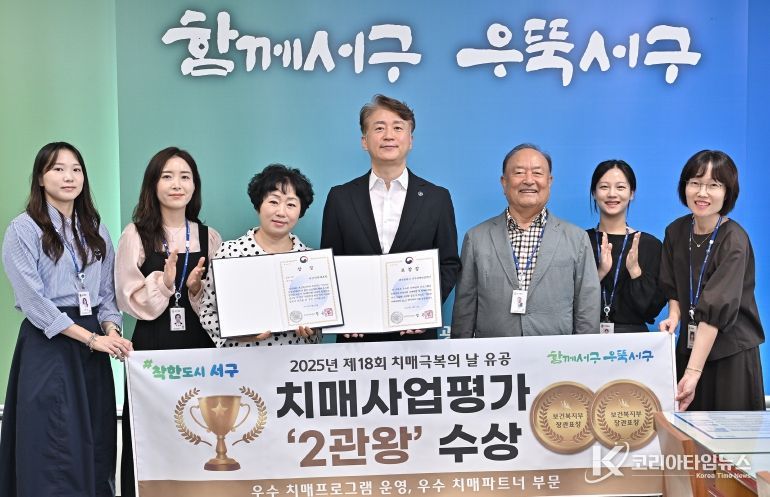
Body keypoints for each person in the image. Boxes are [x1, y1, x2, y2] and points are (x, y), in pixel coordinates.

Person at [0, 142, 133, 497]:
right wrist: (91, 339)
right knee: (54, 445)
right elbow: (33, 301)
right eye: (57, 169)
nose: (68, 176)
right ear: (40, 178)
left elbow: (107, 294)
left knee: (98, 439)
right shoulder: (22, 229)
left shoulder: (95, 227)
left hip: (93, 345)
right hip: (49, 346)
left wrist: (111, 330)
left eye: (76, 169)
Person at [114, 147, 222, 496]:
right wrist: (164, 283)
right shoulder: (135, 234)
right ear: (153, 184)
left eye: (185, 177)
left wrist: (195, 290)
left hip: (200, 349)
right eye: (167, 176)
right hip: (152, 348)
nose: (177, 184)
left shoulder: (209, 236)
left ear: (195, 186)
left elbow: (219, 303)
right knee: (151, 433)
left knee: (201, 431)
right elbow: (127, 298)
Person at [321, 94, 461, 341]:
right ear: (364, 141)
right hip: (357, 335)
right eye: (379, 128)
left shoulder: (437, 198)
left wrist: (424, 310)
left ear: (410, 140)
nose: (388, 135)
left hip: (415, 336)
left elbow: (448, 264)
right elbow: (329, 265)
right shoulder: (340, 197)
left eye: (398, 128)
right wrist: (343, 315)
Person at [452, 143, 600, 338]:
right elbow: (465, 309)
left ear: (549, 181)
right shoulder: (476, 238)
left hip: (555, 353)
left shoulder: (577, 238)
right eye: (519, 172)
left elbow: (587, 306)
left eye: (537, 173)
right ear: (504, 182)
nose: (529, 180)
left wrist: (584, 352)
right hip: (497, 353)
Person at [659, 150, 765, 411]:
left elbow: (715, 311)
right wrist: (674, 316)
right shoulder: (676, 231)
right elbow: (674, 288)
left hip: (729, 356)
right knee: (686, 431)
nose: (702, 193)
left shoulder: (734, 239)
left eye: (714, 185)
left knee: (727, 435)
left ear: (727, 192)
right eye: (695, 183)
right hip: (690, 350)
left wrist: (693, 372)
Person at [195, 164, 318, 347]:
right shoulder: (230, 253)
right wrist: (238, 334)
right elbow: (207, 311)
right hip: (241, 358)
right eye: (273, 202)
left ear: (301, 211)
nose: (281, 212)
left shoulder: (311, 260)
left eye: (291, 204)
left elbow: (320, 320)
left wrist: (314, 330)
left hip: (294, 359)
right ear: (259, 204)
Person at [586, 160, 666, 333]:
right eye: (604, 187)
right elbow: (566, 303)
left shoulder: (650, 245)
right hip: (586, 337)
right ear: (594, 193)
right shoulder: (580, 242)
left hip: (634, 342)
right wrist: (599, 273)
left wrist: (635, 272)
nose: (612, 194)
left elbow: (652, 310)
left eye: (620, 187)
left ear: (632, 193)